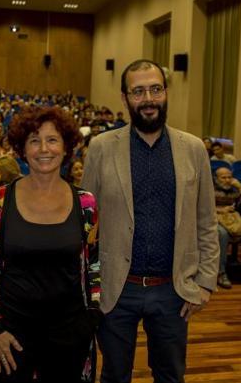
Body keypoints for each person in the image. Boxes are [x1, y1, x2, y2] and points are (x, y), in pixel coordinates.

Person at [81, 59, 219, 383]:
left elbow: (206, 221)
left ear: (166, 92)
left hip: (173, 289)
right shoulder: (101, 148)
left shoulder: (193, 148)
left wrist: (205, 283)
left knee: (171, 375)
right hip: (117, 290)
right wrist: (90, 289)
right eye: (138, 91)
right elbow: (87, 224)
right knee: (114, 375)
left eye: (155, 89)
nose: (148, 99)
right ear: (125, 98)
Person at [0, 106, 101, 383]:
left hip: (69, 333)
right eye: (34, 140)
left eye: (52, 139)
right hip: (10, 335)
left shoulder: (86, 203)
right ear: (22, 149)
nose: (43, 149)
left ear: (66, 146)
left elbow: (93, 265)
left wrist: (91, 320)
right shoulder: (0, 199)